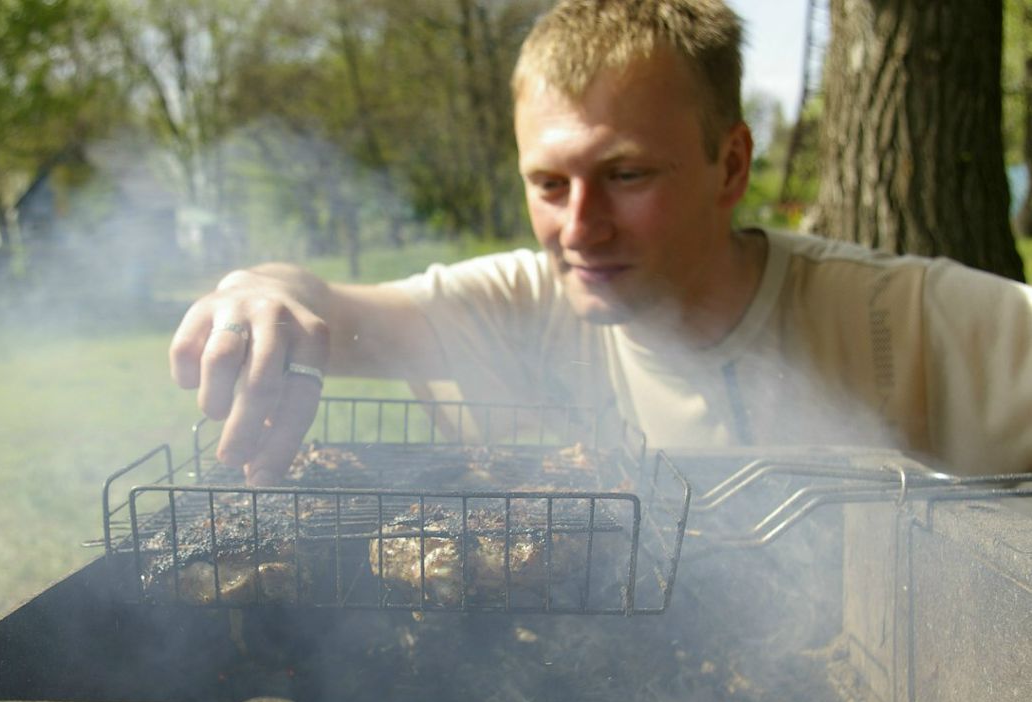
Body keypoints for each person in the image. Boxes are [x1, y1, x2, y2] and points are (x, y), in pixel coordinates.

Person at [169, 0, 1032, 486]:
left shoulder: (909, 317)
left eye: (626, 176)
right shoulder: (522, 306)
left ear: (730, 164)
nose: (579, 230)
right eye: (549, 184)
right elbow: (330, 308)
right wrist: (255, 288)